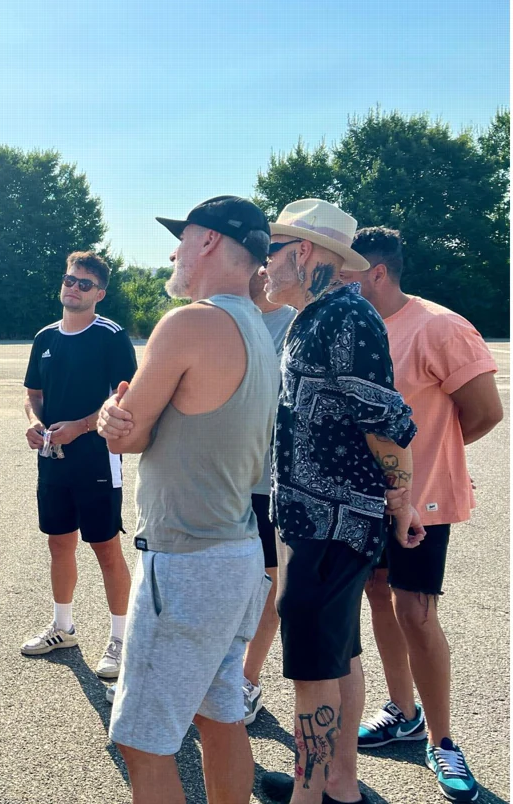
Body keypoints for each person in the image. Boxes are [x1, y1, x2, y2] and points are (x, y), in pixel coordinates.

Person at [97, 196, 278, 804]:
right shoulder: (257, 323)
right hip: (237, 554)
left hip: (185, 562)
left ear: (207, 243)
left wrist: (110, 418)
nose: (173, 251)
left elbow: (132, 431)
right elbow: (143, 426)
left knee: (143, 742)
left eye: (183, 238)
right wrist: (124, 420)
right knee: (219, 714)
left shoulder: (191, 323)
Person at [256, 200, 424, 804]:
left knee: (313, 670)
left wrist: (401, 500)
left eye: (271, 252)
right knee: (338, 654)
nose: (263, 267)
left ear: (302, 253)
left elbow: (386, 421)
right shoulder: (315, 314)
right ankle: (340, 785)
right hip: (315, 522)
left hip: (328, 528)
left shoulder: (344, 317)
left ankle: (310, 795)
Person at [344, 228, 501, 802]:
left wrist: (435, 466)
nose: (339, 283)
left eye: (348, 275)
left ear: (377, 273)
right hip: (368, 497)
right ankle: (402, 712)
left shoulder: (439, 326)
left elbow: (484, 412)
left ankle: (443, 740)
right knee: (378, 595)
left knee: (416, 612)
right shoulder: (357, 328)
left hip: (424, 500)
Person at [20, 251, 136, 682]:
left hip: (97, 458)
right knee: (58, 542)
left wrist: (83, 427)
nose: (74, 287)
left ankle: (121, 640)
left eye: (84, 283)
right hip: (53, 459)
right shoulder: (45, 337)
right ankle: (62, 627)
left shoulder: (110, 336)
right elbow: (32, 393)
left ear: (99, 294)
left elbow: (127, 397)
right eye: (70, 280)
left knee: (105, 548)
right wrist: (35, 423)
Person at [242, 270, 297, 725]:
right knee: (216, 577)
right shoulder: (218, 317)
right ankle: (209, 675)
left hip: (268, 480)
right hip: (220, 476)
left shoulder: (296, 323)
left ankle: (247, 679)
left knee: (267, 581)